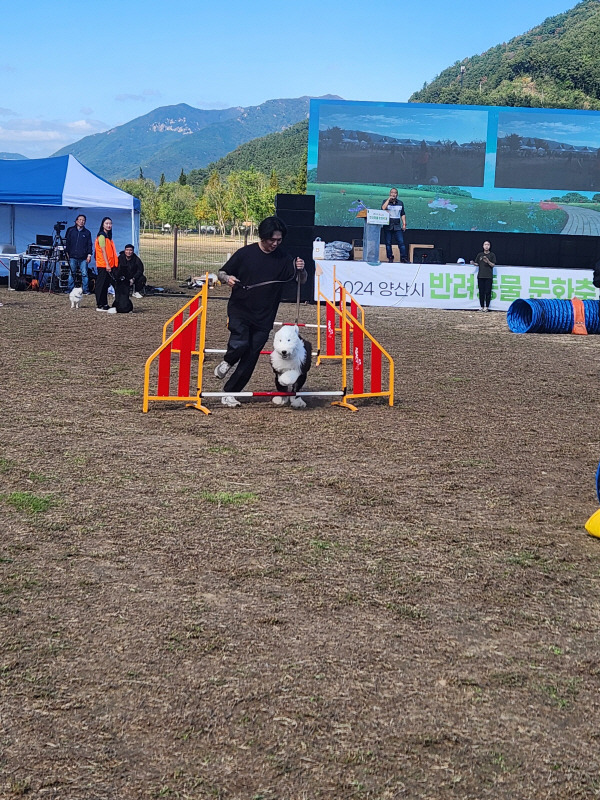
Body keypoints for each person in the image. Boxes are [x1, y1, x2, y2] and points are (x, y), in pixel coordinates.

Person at [215, 216, 306, 407]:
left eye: (278, 240)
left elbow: (301, 280)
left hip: (265, 315)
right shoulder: (245, 254)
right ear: (262, 237)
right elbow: (221, 273)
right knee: (240, 343)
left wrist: (301, 270)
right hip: (240, 308)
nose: (274, 243)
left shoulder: (284, 258)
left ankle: (230, 392)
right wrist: (228, 278)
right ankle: (227, 361)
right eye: (271, 239)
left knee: (252, 355)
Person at [109, 244, 144, 314]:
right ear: (125, 251)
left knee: (142, 278)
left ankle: (136, 291)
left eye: (130, 250)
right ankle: (116, 293)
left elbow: (140, 270)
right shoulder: (120, 258)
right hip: (121, 278)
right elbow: (116, 270)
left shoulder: (136, 259)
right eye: (127, 250)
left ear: (133, 251)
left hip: (132, 277)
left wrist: (133, 278)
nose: (129, 252)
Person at [64, 214, 93, 294]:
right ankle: (70, 289)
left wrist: (89, 255)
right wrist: (67, 252)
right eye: (80, 220)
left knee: (84, 274)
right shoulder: (71, 230)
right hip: (72, 255)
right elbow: (67, 242)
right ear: (76, 221)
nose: (81, 221)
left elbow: (89, 244)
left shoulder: (87, 232)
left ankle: (85, 290)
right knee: (71, 273)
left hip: (83, 257)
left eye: (83, 220)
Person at [94, 217, 117, 312]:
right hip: (103, 265)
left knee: (105, 285)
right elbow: (103, 251)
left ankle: (105, 303)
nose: (109, 225)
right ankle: (100, 304)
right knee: (101, 285)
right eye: (107, 223)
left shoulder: (108, 237)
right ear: (103, 225)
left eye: (110, 223)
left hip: (109, 265)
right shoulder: (102, 236)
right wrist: (107, 264)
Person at [381, 188, 407, 263]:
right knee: (388, 243)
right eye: (392, 193)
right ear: (390, 194)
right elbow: (383, 208)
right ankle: (390, 257)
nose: (393, 194)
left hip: (397, 225)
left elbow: (402, 214)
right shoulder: (385, 202)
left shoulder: (400, 203)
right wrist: (388, 200)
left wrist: (404, 224)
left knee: (401, 242)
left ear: (397, 194)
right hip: (388, 225)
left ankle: (403, 257)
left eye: (395, 193)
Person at [471, 240, 496, 311]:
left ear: (490, 246)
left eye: (488, 244)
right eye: (485, 244)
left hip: (488, 276)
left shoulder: (492, 255)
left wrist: (487, 261)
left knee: (488, 292)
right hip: (481, 276)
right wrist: (473, 263)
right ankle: (481, 306)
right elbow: (477, 263)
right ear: (483, 246)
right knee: (481, 292)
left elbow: (493, 265)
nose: (486, 246)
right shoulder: (480, 254)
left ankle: (487, 307)